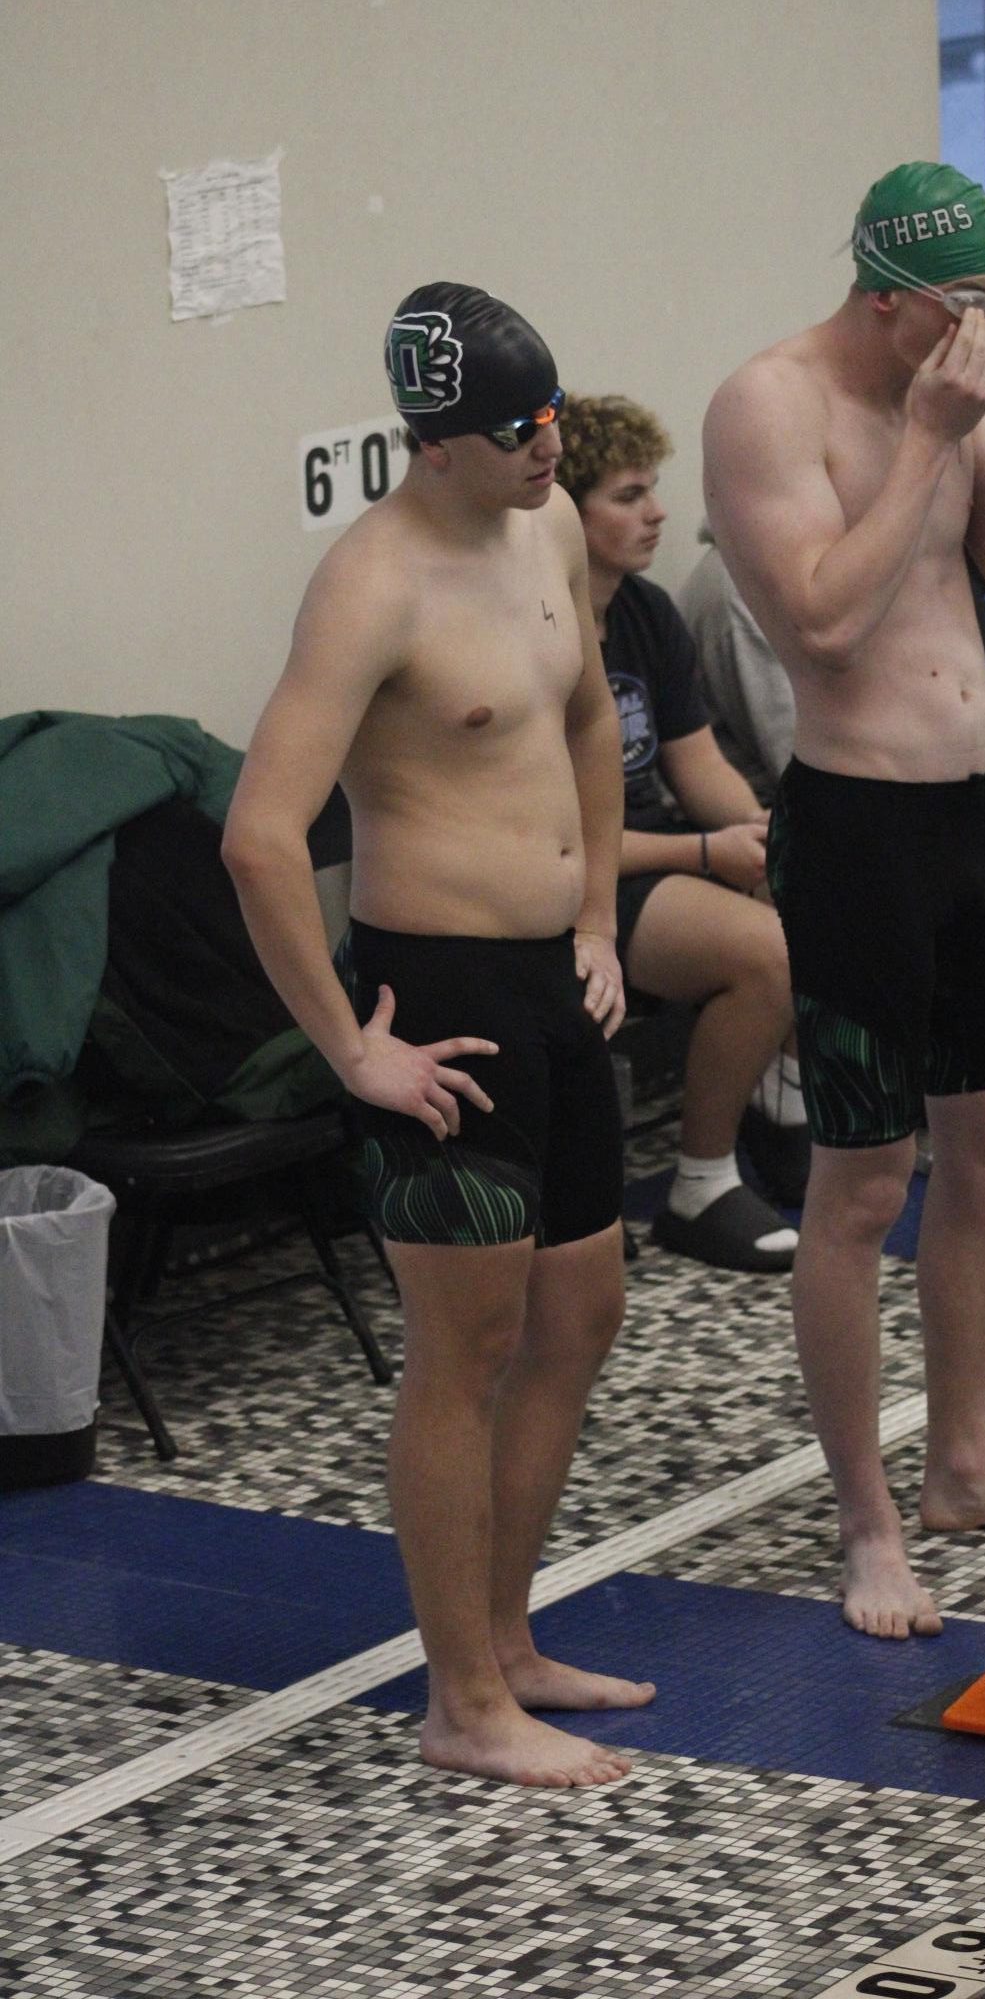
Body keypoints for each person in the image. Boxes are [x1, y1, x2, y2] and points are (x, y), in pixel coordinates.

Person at [223, 284, 653, 1789]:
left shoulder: (542, 532)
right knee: (462, 1350)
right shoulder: (371, 584)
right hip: (439, 1006)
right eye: (521, 429)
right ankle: (461, 1702)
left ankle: (509, 1640)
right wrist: (350, 1049)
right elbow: (261, 839)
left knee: (581, 1310)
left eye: (553, 416)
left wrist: (599, 914)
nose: (553, 447)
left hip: (551, 981)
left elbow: (589, 721)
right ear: (439, 442)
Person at [703, 161, 985, 1641]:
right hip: (857, 832)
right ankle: (867, 1519)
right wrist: (933, 437)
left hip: (976, 813)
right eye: (959, 308)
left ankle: (959, 1459)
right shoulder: (768, 405)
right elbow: (818, 621)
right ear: (879, 296)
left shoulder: (958, 390)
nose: (982, 328)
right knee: (861, 1184)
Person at [677, 536, 985, 1158]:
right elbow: (794, 745)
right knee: (907, 878)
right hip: (812, 808)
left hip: (914, 782)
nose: (655, 513)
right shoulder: (746, 585)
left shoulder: (869, 548)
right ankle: (911, 1104)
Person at [555, 393, 807, 1273]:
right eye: (628, 495)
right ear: (565, 510)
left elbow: (695, 766)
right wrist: (707, 853)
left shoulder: (645, 614)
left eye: (653, 489)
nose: (657, 512)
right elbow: (556, 840)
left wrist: (765, 835)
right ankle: (701, 1182)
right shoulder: (534, 630)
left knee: (820, 879)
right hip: (574, 884)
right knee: (768, 954)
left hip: (653, 853)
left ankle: (795, 1104)